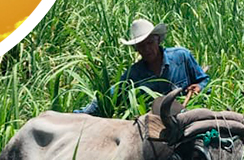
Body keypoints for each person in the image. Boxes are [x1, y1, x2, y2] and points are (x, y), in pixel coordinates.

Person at [75, 18, 209, 116]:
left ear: (158, 40)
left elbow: (204, 80)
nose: (147, 49)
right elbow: (108, 98)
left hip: (186, 116)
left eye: (150, 43)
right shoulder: (133, 75)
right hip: (154, 125)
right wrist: (79, 115)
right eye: (141, 46)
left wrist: (199, 87)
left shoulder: (181, 57)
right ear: (136, 49)